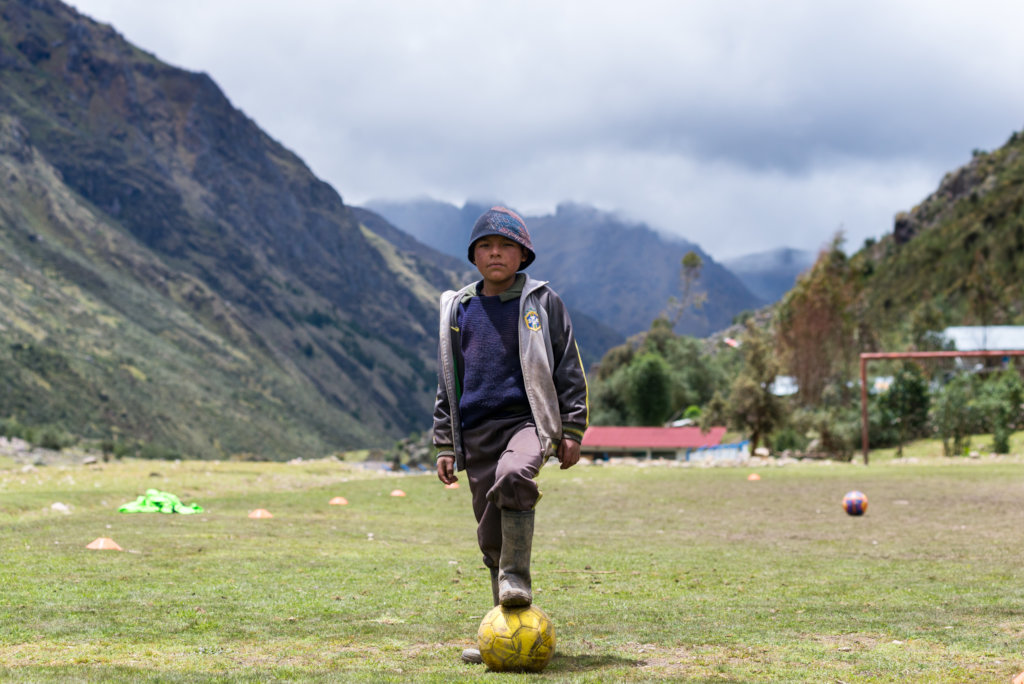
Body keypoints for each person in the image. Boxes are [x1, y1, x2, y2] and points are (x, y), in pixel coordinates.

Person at [432, 206, 589, 664]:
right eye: (486, 246)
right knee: (489, 534)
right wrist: (445, 441)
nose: (495, 253)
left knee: (516, 473)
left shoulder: (542, 301)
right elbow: (447, 380)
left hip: (526, 423)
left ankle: (516, 577)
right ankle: (502, 633)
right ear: (473, 256)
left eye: (505, 247)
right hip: (476, 430)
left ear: (523, 255)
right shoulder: (458, 309)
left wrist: (573, 428)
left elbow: (568, 367)